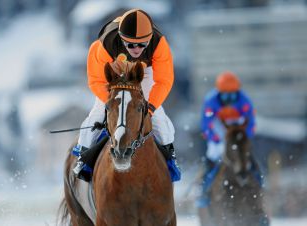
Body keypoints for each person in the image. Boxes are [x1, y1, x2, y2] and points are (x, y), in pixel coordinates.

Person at [72, 9, 181, 182]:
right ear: (122, 39)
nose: (136, 49)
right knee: (97, 113)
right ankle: (83, 156)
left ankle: (170, 158)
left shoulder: (159, 43)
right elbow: (96, 80)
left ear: (149, 39)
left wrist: (150, 108)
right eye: (131, 45)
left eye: (142, 45)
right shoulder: (105, 44)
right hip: (114, 72)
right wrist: (111, 104)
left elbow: (164, 81)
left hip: (144, 72)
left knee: (159, 117)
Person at [197, 71, 261, 219]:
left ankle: (259, 182)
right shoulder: (210, 101)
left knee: (248, 157)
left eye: (232, 96)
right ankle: (204, 191)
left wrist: (245, 140)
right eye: (225, 96)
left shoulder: (245, 100)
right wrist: (215, 140)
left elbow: (251, 123)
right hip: (219, 129)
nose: (229, 100)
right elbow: (206, 125)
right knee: (213, 157)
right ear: (219, 93)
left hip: (238, 128)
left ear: (237, 92)